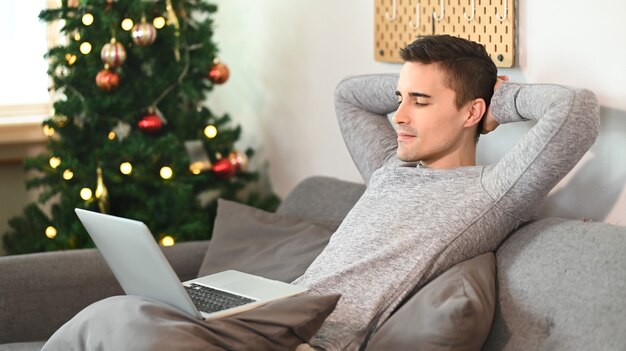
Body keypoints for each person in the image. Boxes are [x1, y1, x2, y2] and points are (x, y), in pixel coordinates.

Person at [42, 35, 599, 351]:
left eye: (420, 103)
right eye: (400, 97)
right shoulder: (390, 167)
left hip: (315, 341)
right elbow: (349, 95)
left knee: (133, 328)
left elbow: (574, 113)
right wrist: (424, 86)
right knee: (114, 312)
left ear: (472, 113)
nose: (398, 116)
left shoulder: (490, 192)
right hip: (275, 316)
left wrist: (494, 100)